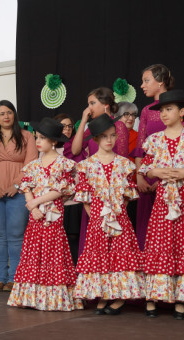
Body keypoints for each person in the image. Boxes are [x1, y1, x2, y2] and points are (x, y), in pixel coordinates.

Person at [138, 90, 184, 320]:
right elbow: (145, 167)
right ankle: (153, 296)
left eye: (168, 109)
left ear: (182, 112)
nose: (163, 114)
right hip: (164, 198)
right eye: (161, 110)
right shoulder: (155, 140)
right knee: (160, 241)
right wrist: (157, 171)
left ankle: (181, 298)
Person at [7, 117, 82, 311]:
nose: (38, 141)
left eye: (43, 138)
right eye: (37, 137)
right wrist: (32, 208)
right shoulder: (33, 165)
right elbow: (27, 187)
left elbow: (62, 189)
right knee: (33, 252)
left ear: (54, 141)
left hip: (53, 215)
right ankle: (31, 297)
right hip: (36, 216)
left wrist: (36, 203)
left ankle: (53, 298)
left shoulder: (63, 164)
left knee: (53, 252)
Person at [73, 114, 144, 315]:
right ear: (96, 139)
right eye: (104, 136)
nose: (110, 140)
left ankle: (119, 295)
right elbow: (85, 197)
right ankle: (105, 294)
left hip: (120, 219)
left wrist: (118, 212)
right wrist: (96, 216)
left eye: (112, 136)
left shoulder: (124, 164)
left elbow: (129, 194)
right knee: (101, 257)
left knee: (120, 257)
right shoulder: (86, 166)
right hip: (98, 220)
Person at [0, 100, 37, 292]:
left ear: (14, 115)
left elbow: (31, 164)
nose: (6, 116)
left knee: (16, 235)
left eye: (9, 112)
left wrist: (17, 185)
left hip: (19, 193)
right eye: (1, 113)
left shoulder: (27, 136)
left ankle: (15, 278)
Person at [70, 87, 129, 256]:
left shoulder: (118, 126)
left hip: (112, 187)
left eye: (92, 103)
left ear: (106, 105)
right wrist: (83, 120)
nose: (89, 108)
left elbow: (123, 161)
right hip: (93, 188)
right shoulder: (92, 128)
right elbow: (75, 150)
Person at [132, 64, 176, 250]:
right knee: (146, 221)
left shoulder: (178, 106)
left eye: (146, 81)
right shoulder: (146, 110)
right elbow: (139, 148)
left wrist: (164, 178)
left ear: (161, 82)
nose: (142, 85)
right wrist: (140, 177)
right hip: (147, 176)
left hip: (174, 175)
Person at [54, 113, 84, 264]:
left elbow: (80, 175)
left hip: (73, 202)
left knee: (73, 237)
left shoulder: (77, 147)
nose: (66, 129)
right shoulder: (48, 147)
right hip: (54, 202)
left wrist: (67, 193)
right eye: (63, 126)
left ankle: (74, 272)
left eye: (69, 126)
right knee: (57, 239)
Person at [114, 102, 140, 230]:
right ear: (117, 116)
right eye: (126, 114)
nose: (130, 118)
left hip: (134, 186)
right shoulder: (110, 136)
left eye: (133, 115)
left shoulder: (139, 136)